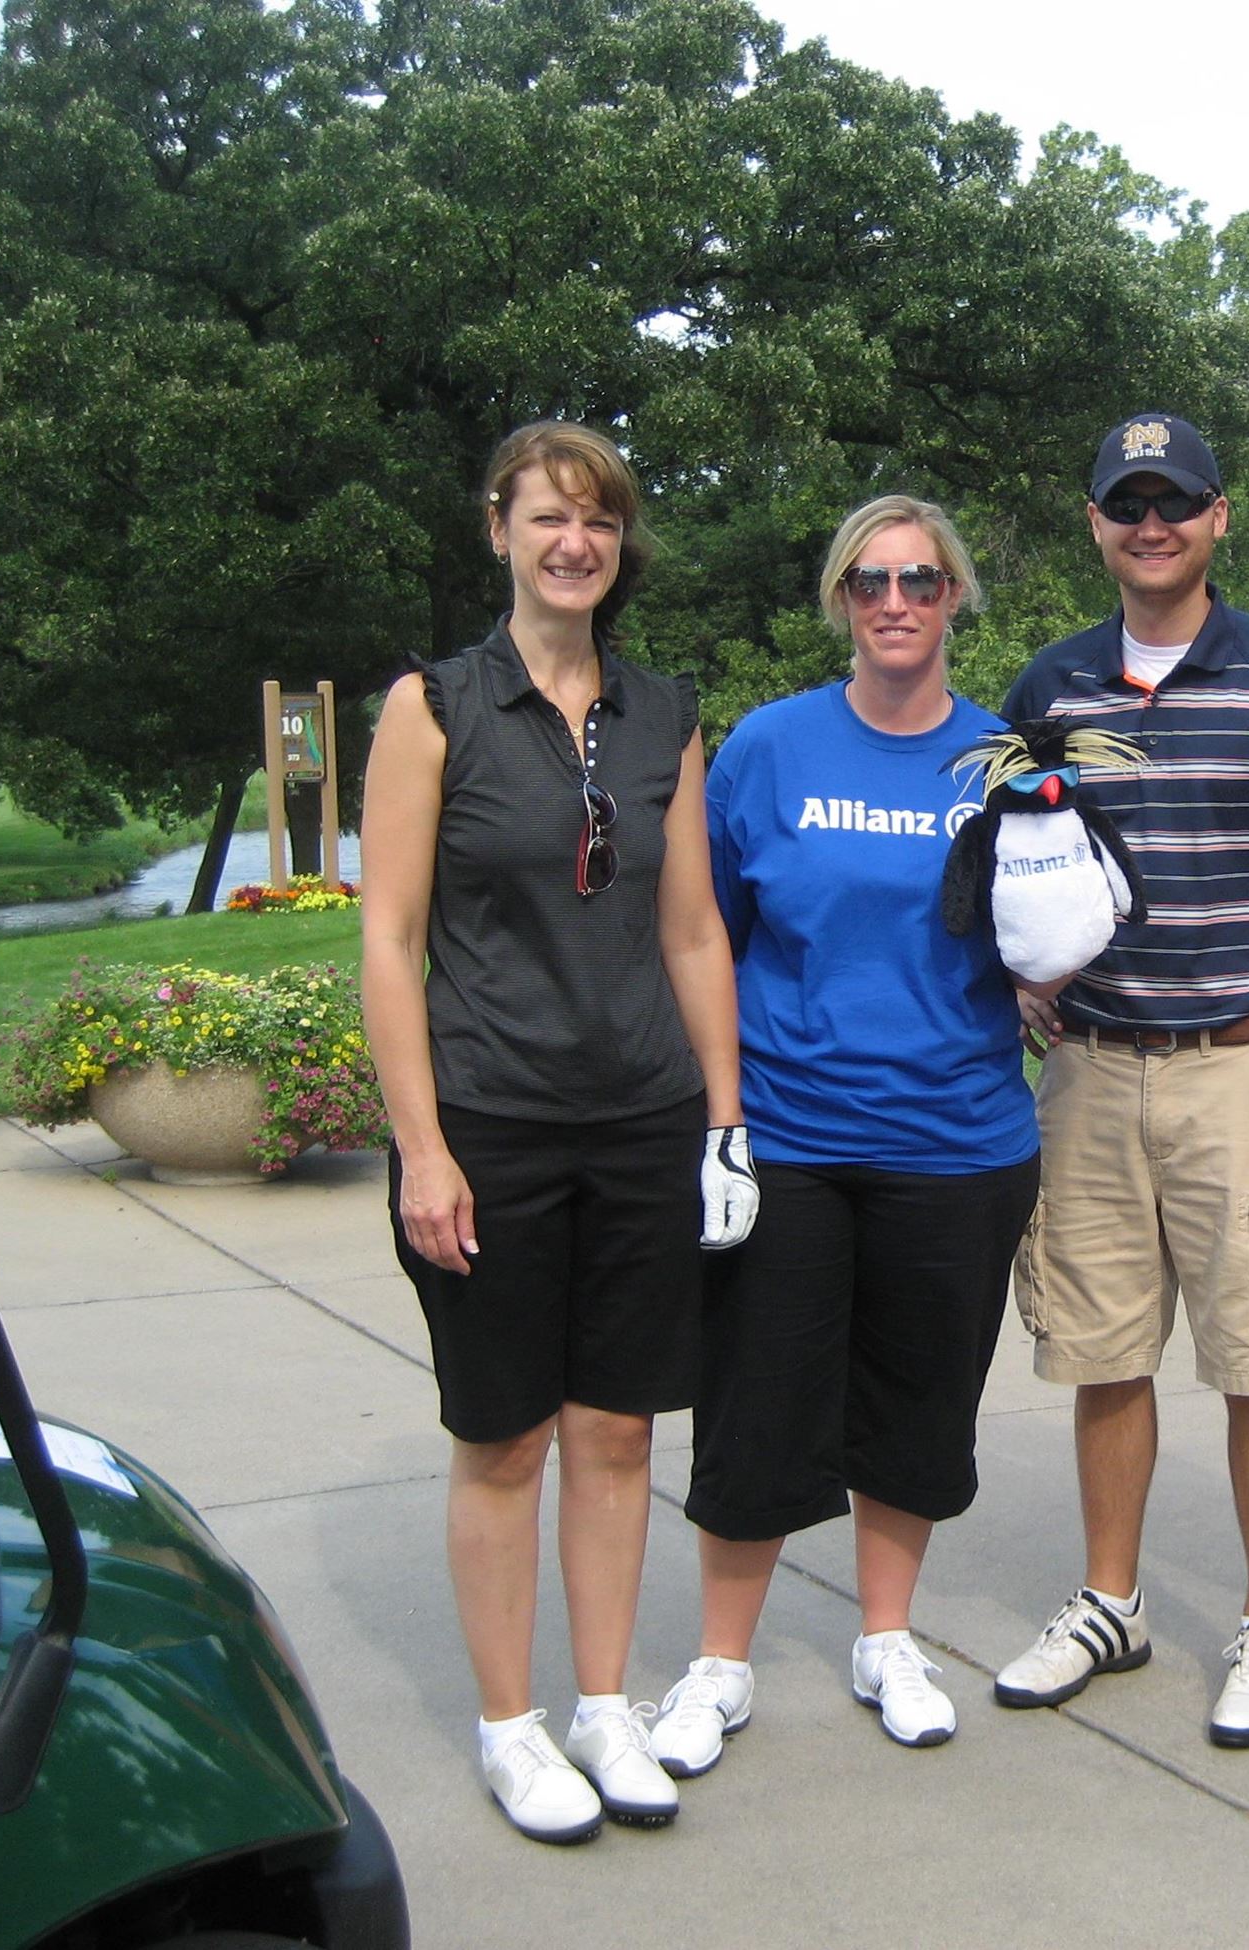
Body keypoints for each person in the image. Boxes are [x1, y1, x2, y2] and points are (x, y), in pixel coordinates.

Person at [361, 421, 759, 1844]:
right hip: (493, 1127)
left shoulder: (666, 713)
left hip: (644, 1122)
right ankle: (510, 1724)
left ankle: (603, 1703)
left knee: (614, 1428)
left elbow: (694, 925)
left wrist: (723, 1116)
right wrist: (421, 1144)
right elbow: (389, 938)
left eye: (597, 522)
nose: (572, 542)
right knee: (504, 1437)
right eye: (547, 518)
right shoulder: (434, 705)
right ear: (499, 529)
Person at [995, 412, 1249, 1748]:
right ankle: (1113, 1600)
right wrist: (1020, 969)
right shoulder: (1050, 687)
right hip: (1096, 1068)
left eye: (1177, 503)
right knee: (1104, 1355)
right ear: (1097, 522)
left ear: (1220, 517)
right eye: (1129, 504)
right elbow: (1013, 858)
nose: (1151, 525)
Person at [660, 495, 1040, 1764]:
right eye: (871, 580)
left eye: (921, 582)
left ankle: (887, 1638)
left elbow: (1047, 930)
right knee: (756, 1405)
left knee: (914, 1407)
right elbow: (703, 934)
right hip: (792, 1136)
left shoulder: (1005, 760)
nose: (895, 602)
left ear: (952, 600)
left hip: (958, 1140)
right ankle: (720, 1664)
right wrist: (715, 1118)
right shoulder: (767, 748)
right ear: (839, 597)